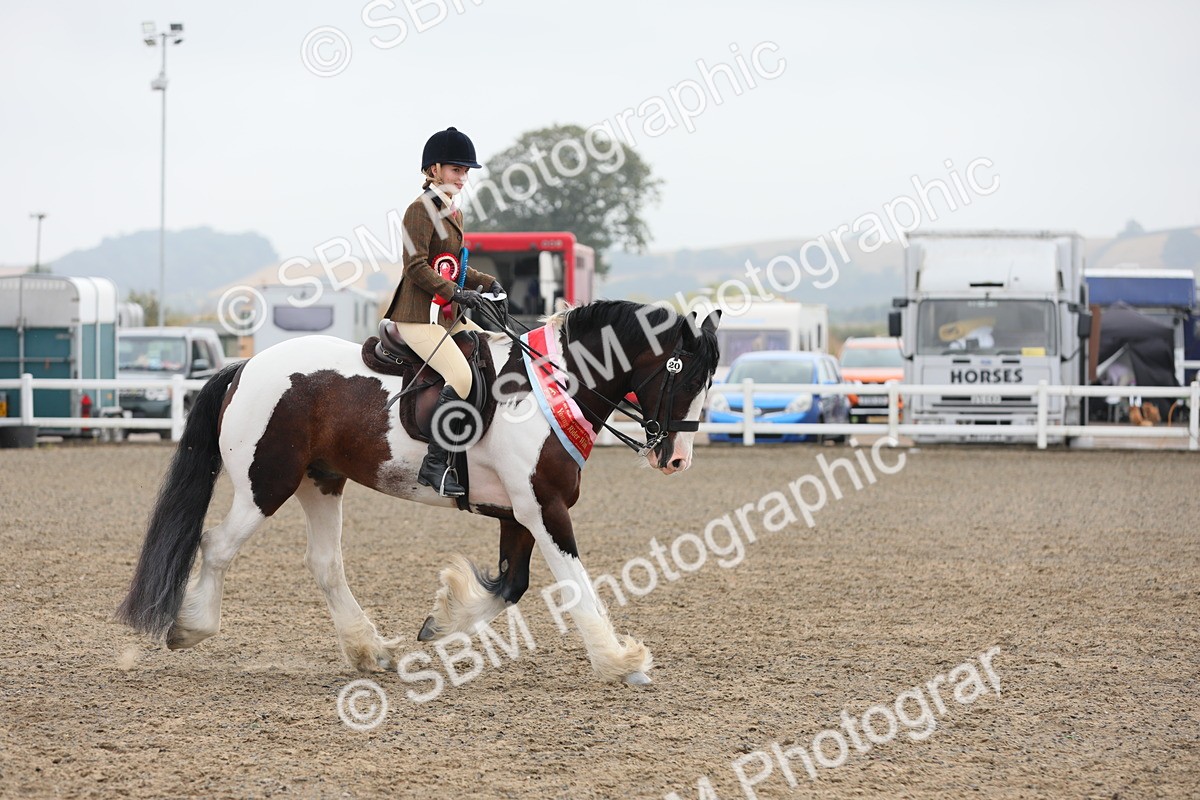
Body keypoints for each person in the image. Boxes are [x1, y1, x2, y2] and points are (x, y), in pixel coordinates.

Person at [384, 127, 502, 497]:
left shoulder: (453, 211)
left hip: (448, 314)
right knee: (461, 377)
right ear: (433, 170)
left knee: (491, 356)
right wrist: (457, 292)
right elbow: (416, 267)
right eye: (456, 170)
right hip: (418, 314)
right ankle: (434, 466)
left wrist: (485, 283)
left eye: (466, 172)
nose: (463, 178)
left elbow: (453, 264)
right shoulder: (418, 211)